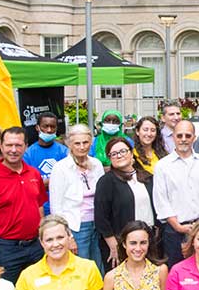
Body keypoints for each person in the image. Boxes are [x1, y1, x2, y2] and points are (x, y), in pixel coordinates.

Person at [0, 127, 47, 284]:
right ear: (1, 146)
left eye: (18, 145)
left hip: (35, 246)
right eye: (9, 145)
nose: (13, 150)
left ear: (26, 146)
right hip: (6, 249)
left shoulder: (34, 174)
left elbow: (39, 206)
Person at [153, 120, 199, 267]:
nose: (183, 139)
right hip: (174, 231)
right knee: (176, 271)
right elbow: (161, 200)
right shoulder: (162, 166)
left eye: (188, 135)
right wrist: (177, 226)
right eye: (180, 135)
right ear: (173, 137)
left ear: (194, 137)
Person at [48, 124, 105, 272]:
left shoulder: (96, 164)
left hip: (97, 225)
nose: (81, 147)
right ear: (69, 144)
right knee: (80, 271)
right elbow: (56, 208)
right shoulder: (61, 168)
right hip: (76, 227)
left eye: (85, 142)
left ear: (91, 142)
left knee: (98, 269)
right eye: (77, 143)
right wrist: (68, 236)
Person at [96, 138, 156, 270]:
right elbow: (101, 217)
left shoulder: (147, 177)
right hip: (122, 244)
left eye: (123, 151)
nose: (119, 155)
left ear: (131, 153)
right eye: (114, 153)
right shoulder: (106, 182)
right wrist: (114, 245)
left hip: (149, 240)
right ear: (110, 158)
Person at [23, 112, 68, 215]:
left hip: (61, 208)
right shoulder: (28, 154)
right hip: (38, 208)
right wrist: (52, 182)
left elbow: (69, 180)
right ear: (37, 128)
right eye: (45, 126)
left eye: (52, 127)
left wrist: (45, 183)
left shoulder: (64, 151)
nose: (49, 130)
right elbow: (27, 185)